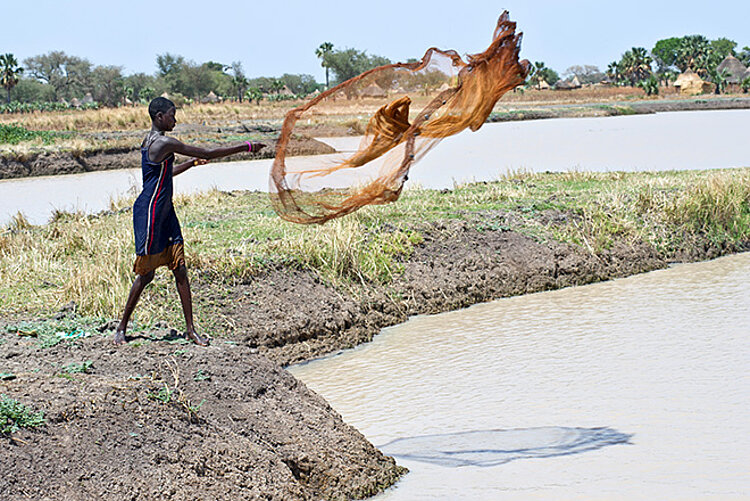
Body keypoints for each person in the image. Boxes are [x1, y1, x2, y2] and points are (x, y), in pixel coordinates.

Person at [114, 97, 265, 346]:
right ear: (160, 117)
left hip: (166, 212)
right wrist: (245, 147)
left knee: (180, 269)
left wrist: (191, 164)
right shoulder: (162, 142)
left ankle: (191, 330)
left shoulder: (153, 142)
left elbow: (166, 172)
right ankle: (121, 327)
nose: (176, 119)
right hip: (150, 212)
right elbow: (207, 151)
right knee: (146, 274)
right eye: (172, 115)